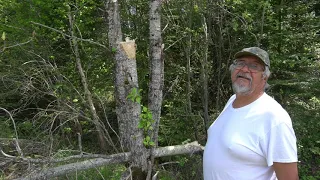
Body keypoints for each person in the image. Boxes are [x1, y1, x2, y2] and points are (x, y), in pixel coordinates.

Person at [203, 47, 299, 180]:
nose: (244, 69)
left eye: (254, 66)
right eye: (240, 63)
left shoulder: (274, 118)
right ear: (232, 69)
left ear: (264, 77)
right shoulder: (232, 101)